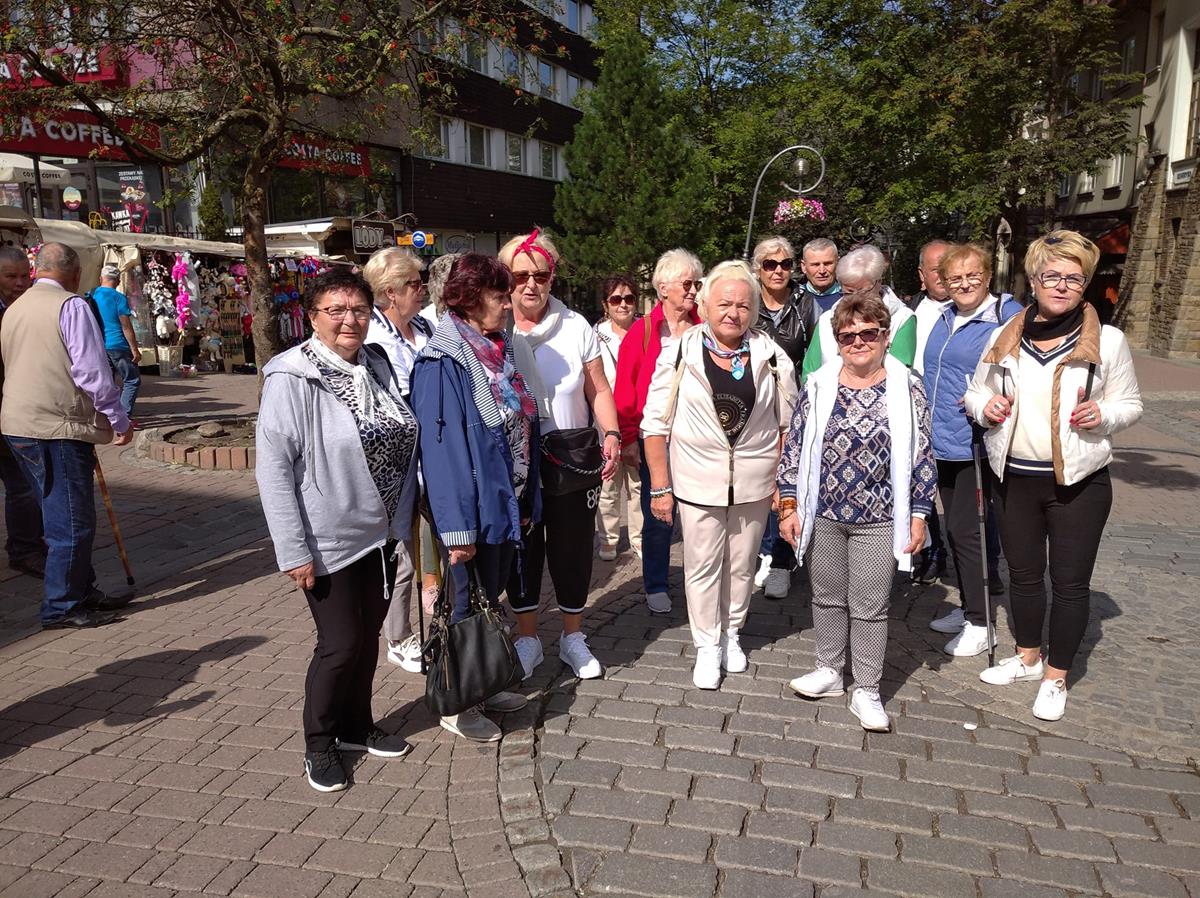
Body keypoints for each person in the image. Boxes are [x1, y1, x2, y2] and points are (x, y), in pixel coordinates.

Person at [966, 229, 1142, 721]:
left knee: (1069, 583)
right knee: (1023, 575)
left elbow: (1130, 404)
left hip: (1078, 485)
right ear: (1034, 281)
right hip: (1013, 479)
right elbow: (975, 393)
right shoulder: (1005, 336)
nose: (1062, 286)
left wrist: (1103, 415)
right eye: (1052, 276)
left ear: (1085, 285)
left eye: (1074, 278)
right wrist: (985, 407)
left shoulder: (1108, 341)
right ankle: (1027, 657)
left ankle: (1055, 676)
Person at [256, 269, 420, 793]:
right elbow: (273, 469)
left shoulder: (376, 364)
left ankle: (355, 725)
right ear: (313, 317)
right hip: (327, 537)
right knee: (340, 643)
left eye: (359, 310)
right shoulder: (293, 376)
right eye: (336, 310)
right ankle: (319, 743)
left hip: (380, 531)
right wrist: (292, 549)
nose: (349, 320)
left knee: (367, 638)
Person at [779, 295, 936, 732]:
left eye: (869, 333)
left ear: (885, 337)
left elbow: (923, 454)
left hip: (880, 516)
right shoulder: (819, 383)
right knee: (826, 596)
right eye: (848, 336)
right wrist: (789, 504)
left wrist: (919, 514)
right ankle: (829, 669)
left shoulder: (908, 386)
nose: (859, 342)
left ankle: (866, 688)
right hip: (824, 510)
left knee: (869, 605)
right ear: (837, 342)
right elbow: (795, 447)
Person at [642, 261, 797, 688]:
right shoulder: (680, 352)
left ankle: (732, 634)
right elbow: (654, 425)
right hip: (697, 480)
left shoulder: (771, 355)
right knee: (702, 566)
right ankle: (707, 645)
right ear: (706, 305)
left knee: (743, 566)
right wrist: (660, 487)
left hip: (754, 480)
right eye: (724, 304)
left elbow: (787, 425)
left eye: (743, 306)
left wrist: (782, 483)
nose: (733, 313)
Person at [411, 253, 536, 742]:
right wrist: (457, 528)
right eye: (498, 295)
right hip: (471, 509)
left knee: (490, 596)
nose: (507, 304)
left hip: (501, 499)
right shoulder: (441, 362)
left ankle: (484, 682)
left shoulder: (493, 350)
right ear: (468, 299)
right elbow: (441, 454)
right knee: (462, 604)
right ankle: (458, 702)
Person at [501, 231, 618, 681]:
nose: (531, 284)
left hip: (570, 458)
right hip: (516, 462)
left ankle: (572, 636)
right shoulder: (495, 325)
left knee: (572, 549)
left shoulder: (576, 326)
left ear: (552, 276)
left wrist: (611, 433)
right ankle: (527, 637)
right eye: (520, 276)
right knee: (523, 550)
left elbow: (599, 389)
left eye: (541, 275)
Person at [0, 243, 133, 629]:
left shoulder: (15, 308)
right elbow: (92, 373)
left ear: (36, 271)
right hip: (55, 424)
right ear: (75, 274)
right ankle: (62, 605)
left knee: (60, 512)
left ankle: (80, 590)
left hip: (20, 423)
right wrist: (118, 418)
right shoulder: (70, 306)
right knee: (71, 521)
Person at [921, 244, 1022, 655]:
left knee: (969, 532)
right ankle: (968, 609)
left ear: (988, 276)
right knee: (956, 530)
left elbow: (1018, 378)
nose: (964, 284)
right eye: (954, 278)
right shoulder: (946, 315)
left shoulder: (1005, 316)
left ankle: (981, 625)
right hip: (942, 441)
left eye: (972, 276)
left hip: (974, 442)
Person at [613, 249, 702, 614]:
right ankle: (656, 582)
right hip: (655, 438)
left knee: (699, 513)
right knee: (658, 513)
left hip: (697, 437)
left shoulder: (704, 327)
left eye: (697, 284)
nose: (693, 290)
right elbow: (625, 389)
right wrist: (629, 437)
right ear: (663, 288)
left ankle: (700, 581)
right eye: (687, 283)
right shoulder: (644, 330)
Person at [362, 247, 435, 675]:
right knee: (402, 552)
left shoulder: (424, 326)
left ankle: (444, 621)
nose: (421, 290)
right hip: (398, 461)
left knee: (442, 541)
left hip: (434, 453)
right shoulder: (373, 337)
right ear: (390, 292)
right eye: (413, 284)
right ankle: (398, 636)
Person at [750, 236, 813, 599]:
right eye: (770, 264)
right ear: (758, 268)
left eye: (785, 264)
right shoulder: (749, 300)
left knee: (786, 480)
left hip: (793, 404)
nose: (778, 271)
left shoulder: (805, 303)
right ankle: (762, 551)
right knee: (759, 479)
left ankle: (781, 561)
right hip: (754, 406)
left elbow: (816, 353)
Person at [801, 244, 917, 380]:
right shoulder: (827, 319)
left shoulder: (902, 317)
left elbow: (901, 371)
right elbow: (810, 372)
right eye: (848, 292)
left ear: (878, 283)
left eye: (862, 291)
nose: (856, 298)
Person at [907, 240, 952, 585]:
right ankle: (931, 552)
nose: (943, 276)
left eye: (949, 268)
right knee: (918, 485)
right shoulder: (909, 312)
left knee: (962, 496)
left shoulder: (979, 311)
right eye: (936, 269)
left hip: (956, 417)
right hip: (915, 412)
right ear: (922, 275)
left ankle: (986, 562)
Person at [0, 245, 45, 578]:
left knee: (25, 485)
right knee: (24, 486)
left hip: (16, 413)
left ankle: (26, 547)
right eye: (9, 276)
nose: (19, 283)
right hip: (6, 410)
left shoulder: (28, 307)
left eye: (23, 276)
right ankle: (25, 548)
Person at [594, 274, 642, 562]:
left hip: (638, 421)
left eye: (629, 298)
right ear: (606, 304)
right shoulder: (595, 336)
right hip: (607, 423)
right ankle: (609, 539)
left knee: (638, 485)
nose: (623, 304)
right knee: (609, 486)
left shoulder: (645, 332)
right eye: (616, 299)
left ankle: (639, 539)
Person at [91, 264, 142, 417]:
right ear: (118, 281)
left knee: (108, 383)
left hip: (99, 345)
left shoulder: (92, 295)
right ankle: (123, 418)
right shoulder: (119, 298)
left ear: (101, 278)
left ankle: (107, 417)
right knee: (132, 380)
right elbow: (126, 326)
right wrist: (134, 349)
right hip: (118, 345)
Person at [799, 238, 842, 321]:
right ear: (804, 266)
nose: (822, 271)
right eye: (815, 265)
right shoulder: (794, 300)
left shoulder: (849, 298)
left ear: (838, 263)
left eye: (827, 264)